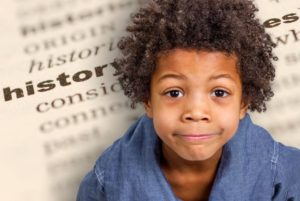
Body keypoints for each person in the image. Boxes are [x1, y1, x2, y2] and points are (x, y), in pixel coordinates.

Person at [76, 0, 300, 200]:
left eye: (219, 93)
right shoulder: (105, 183)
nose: (196, 111)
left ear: (243, 102)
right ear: (148, 101)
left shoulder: (288, 176)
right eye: (174, 93)